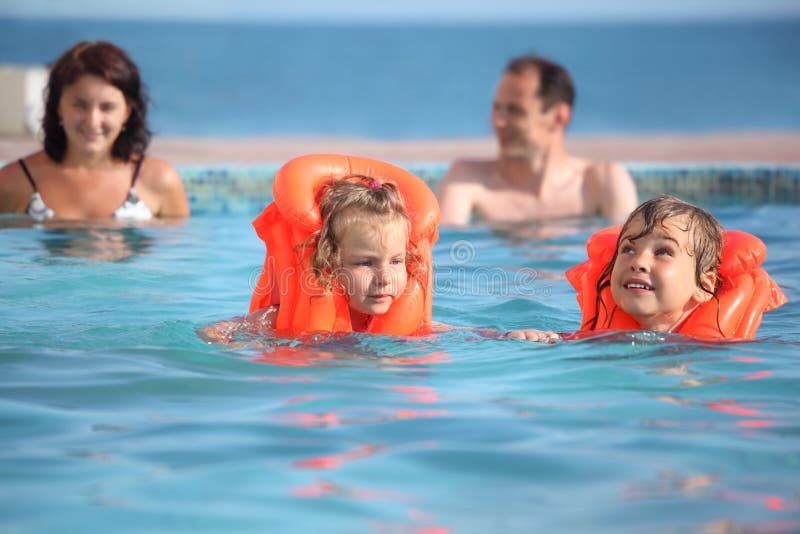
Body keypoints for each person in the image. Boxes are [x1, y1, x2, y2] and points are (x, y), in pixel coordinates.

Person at [200, 154, 440, 342]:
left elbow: (437, 332)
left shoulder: (391, 314)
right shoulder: (276, 318)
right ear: (330, 261)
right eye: (365, 263)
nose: (384, 278)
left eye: (396, 261)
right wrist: (219, 335)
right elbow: (225, 330)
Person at [507, 195, 786, 341]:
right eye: (628, 249)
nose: (638, 262)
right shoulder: (596, 336)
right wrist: (534, 337)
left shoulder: (721, 349)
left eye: (663, 252)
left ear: (704, 286)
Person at [438, 55, 637, 227]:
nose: (498, 121)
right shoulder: (468, 179)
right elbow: (445, 255)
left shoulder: (602, 181)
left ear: (559, 117)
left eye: (515, 110)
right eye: (497, 108)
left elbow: (628, 255)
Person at [0, 41, 189, 220]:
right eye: (80, 105)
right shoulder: (12, 182)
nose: (92, 121)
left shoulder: (161, 181)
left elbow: (180, 252)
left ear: (127, 112)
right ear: (58, 107)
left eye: (107, 107)